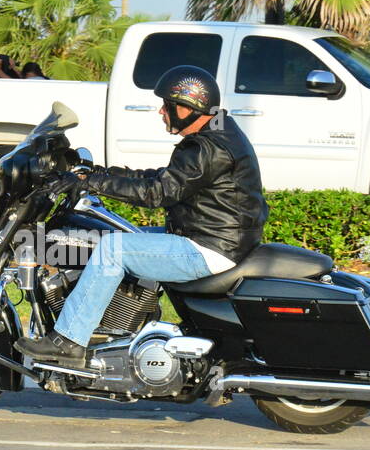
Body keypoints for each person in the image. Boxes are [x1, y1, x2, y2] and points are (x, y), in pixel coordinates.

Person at [15, 65, 268, 364]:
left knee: (112, 250)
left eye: (167, 105)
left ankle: (69, 340)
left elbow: (157, 193)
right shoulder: (216, 132)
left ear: (187, 107)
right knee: (118, 237)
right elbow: (163, 179)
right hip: (209, 238)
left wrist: (92, 183)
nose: (162, 112)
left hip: (208, 248)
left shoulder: (207, 147)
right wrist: (95, 174)